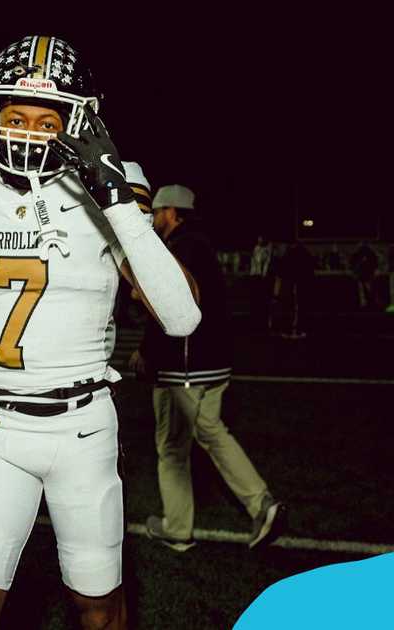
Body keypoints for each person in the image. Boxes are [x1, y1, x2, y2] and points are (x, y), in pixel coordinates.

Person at [0, 36, 200, 630]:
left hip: (84, 432)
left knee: (100, 614)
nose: (25, 132)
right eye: (15, 116)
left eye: (45, 121)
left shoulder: (111, 187)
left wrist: (116, 200)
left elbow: (183, 317)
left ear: (78, 125)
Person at [129, 184, 282, 553]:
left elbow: (167, 306)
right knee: (205, 434)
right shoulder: (201, 245)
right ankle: (198, 520)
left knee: (174, 446)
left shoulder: (180, 248)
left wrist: (146, 349)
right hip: (212, 363)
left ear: (170, 212)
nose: (153, 219)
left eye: (157, 212)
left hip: (185, 364)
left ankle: (251, 506)